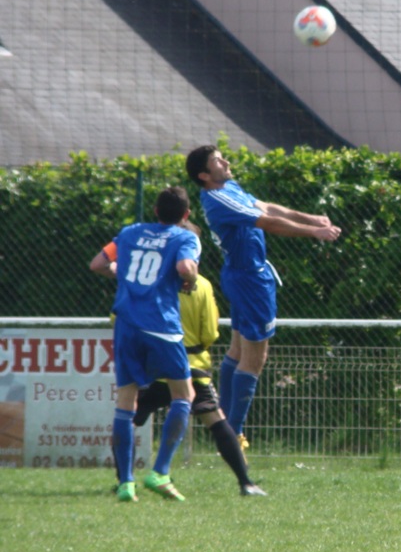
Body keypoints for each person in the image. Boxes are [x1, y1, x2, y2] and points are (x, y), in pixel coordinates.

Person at [90, 220, 267, 497]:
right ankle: (245, 482)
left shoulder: (143, 280)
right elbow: (210, 332)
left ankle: (125, 479)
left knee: (128, 416)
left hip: (152, 367)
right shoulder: (202, 285)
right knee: (216, 421)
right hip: (191, 364)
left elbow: (118, 317)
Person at [185, 145, 342, 453]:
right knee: (255, 358)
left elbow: (267, 208)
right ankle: (234, 436)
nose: (226, 161)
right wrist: (314, 232)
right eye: (217, 160)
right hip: (250, 281)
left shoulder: (229, 187)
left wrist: (313, 219)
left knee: (237, 350)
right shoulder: (217, 199)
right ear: (204, 175)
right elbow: (266, 222)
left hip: (243, 276)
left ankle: (223, 426)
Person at [97, 186, 199, 502]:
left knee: (126, 401)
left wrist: (123, 274)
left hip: (127, 324)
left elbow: (98, 264)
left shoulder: (130, 233)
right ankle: (160, 472)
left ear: (155, 211)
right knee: (184, 394)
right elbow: (185, 268)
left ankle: (126, 483)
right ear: (186, 214)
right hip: (161, 325)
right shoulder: (185, 237)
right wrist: (191, 280)